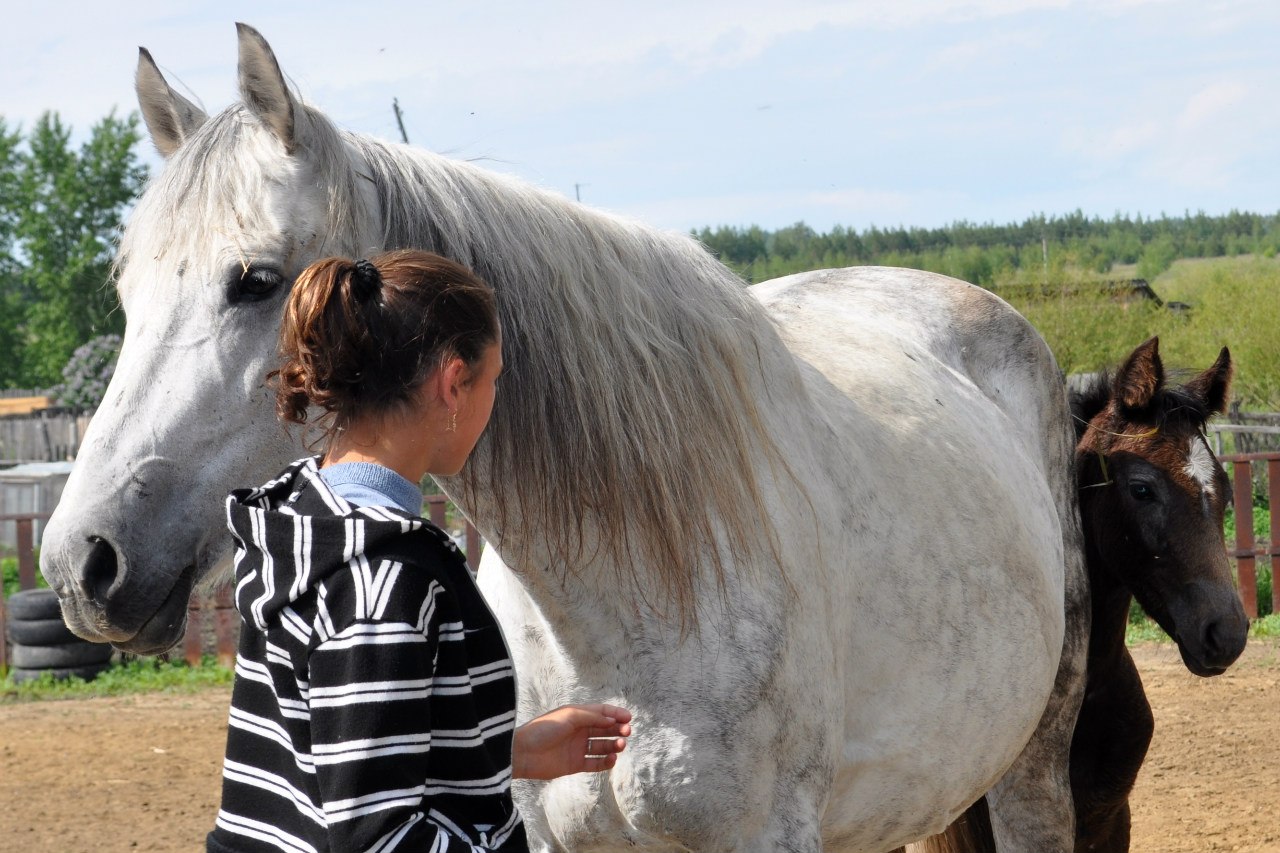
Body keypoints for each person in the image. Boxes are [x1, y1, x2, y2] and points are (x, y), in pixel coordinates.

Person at [207, 250, 631, 853]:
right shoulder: (385, 577)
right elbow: (379, 839)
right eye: (493, 379)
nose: (493, 399)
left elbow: (334, 760)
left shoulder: (303, 520)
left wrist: (494, 753)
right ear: (453, 384)